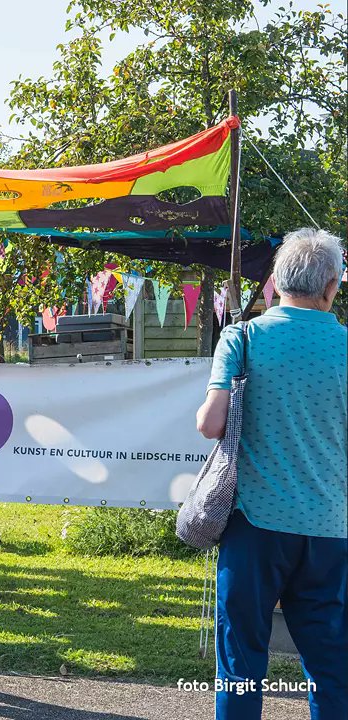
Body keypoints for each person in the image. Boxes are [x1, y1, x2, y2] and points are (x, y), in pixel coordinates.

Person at [196, 228, 347, 719]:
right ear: (332, 287)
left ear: (276, 283)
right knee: (332, 665)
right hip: (330, 527)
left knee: (241, 663)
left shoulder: (242, 338)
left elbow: (210, 423)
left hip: (254, 525)